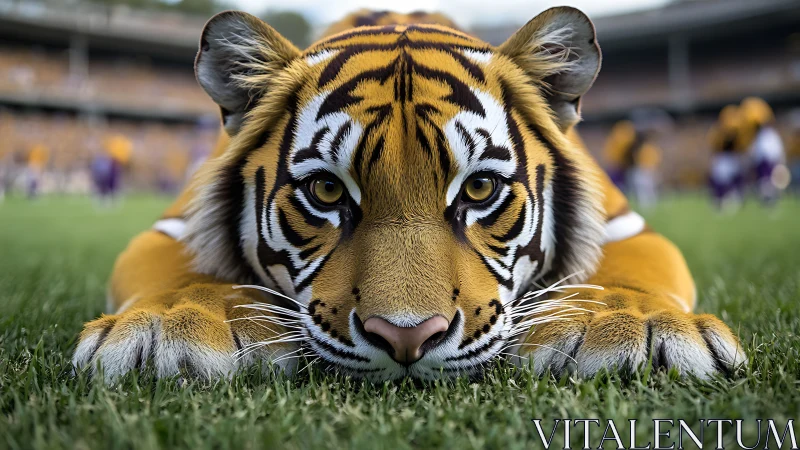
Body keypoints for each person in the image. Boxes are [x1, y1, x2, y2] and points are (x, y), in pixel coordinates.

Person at [739, 97, 786, 205]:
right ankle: (769, 196)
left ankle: (769, 196)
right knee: (767, 178)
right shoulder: (766, 134)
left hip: (766, 155)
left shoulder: (765, 135)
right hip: (767, 155)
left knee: (767, 178)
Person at [707, 105, 746, 211]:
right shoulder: (718, 131)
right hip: (723, 157)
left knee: (736, 179)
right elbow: (715, 145)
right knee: (720, 179)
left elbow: (742, 145)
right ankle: (720, 199)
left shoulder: (739, 130)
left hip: (733, 156)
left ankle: (735, 199)